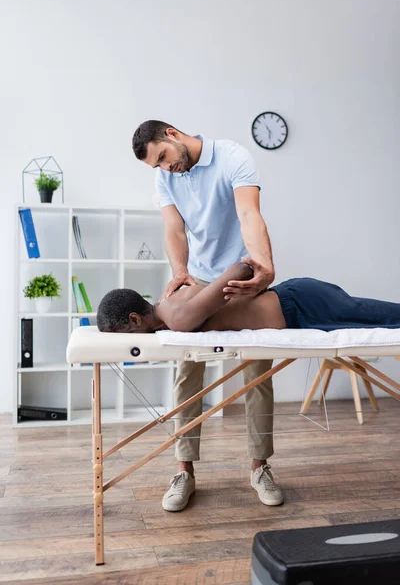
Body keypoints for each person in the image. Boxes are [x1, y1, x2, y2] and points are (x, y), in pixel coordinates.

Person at [131, 120, 281, 512]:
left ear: (173, 134)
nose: (166, 168)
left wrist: (263, 265)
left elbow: (249, 215)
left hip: (242, 274)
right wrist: (180, 271)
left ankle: (260, 466)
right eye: (157, 166)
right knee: (186, 371)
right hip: (197, 278)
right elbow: (174, 230)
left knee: (257, 371)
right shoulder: (166, 178)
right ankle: (184, 471)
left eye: (164, 157)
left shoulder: (233, 157)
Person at [98, 259, 400, 336]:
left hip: (299, 304)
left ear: (134, 318)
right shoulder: (169, 308)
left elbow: (241, 268)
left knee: (377, 318)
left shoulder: (177, 318)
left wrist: (244, 282)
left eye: (123, 333)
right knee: (375, 319)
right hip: (297, 308)